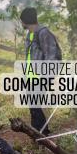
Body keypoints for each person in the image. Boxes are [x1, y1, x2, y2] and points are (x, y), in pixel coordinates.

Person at [20, 7, 61, 135]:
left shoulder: (43, 33)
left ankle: (44, 135)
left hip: (40, 77)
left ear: (25, 20)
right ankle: (36, 134)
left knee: (36, 105)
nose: (21, 23)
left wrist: (47, 77)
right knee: (33, 106)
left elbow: (51, 55)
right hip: (30, 76)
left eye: (22, 20)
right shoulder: (30, 34)